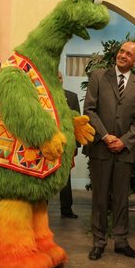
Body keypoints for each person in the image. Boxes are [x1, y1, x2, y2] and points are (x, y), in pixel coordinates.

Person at [83, 41, 135, 261]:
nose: (123, 55)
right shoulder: (99, 77)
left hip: (124, 151)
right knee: (100, 198)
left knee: (122, 198)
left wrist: (124, 141)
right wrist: (105, 135)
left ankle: (121, 241)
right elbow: (89, 109)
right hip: (101, 147)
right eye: (122, 51)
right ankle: (98, 242)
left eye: (129, 54)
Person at [58, 71, 80, 218]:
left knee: (65, 179)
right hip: (48, 146)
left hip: (67, 145)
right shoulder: (42, 97)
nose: (57, 79)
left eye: (59, 77)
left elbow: (78, 123)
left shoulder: (72, 97)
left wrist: (76, 145)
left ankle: (66, 209)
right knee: (45, 178)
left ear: (62, 79)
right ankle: (42, 210)